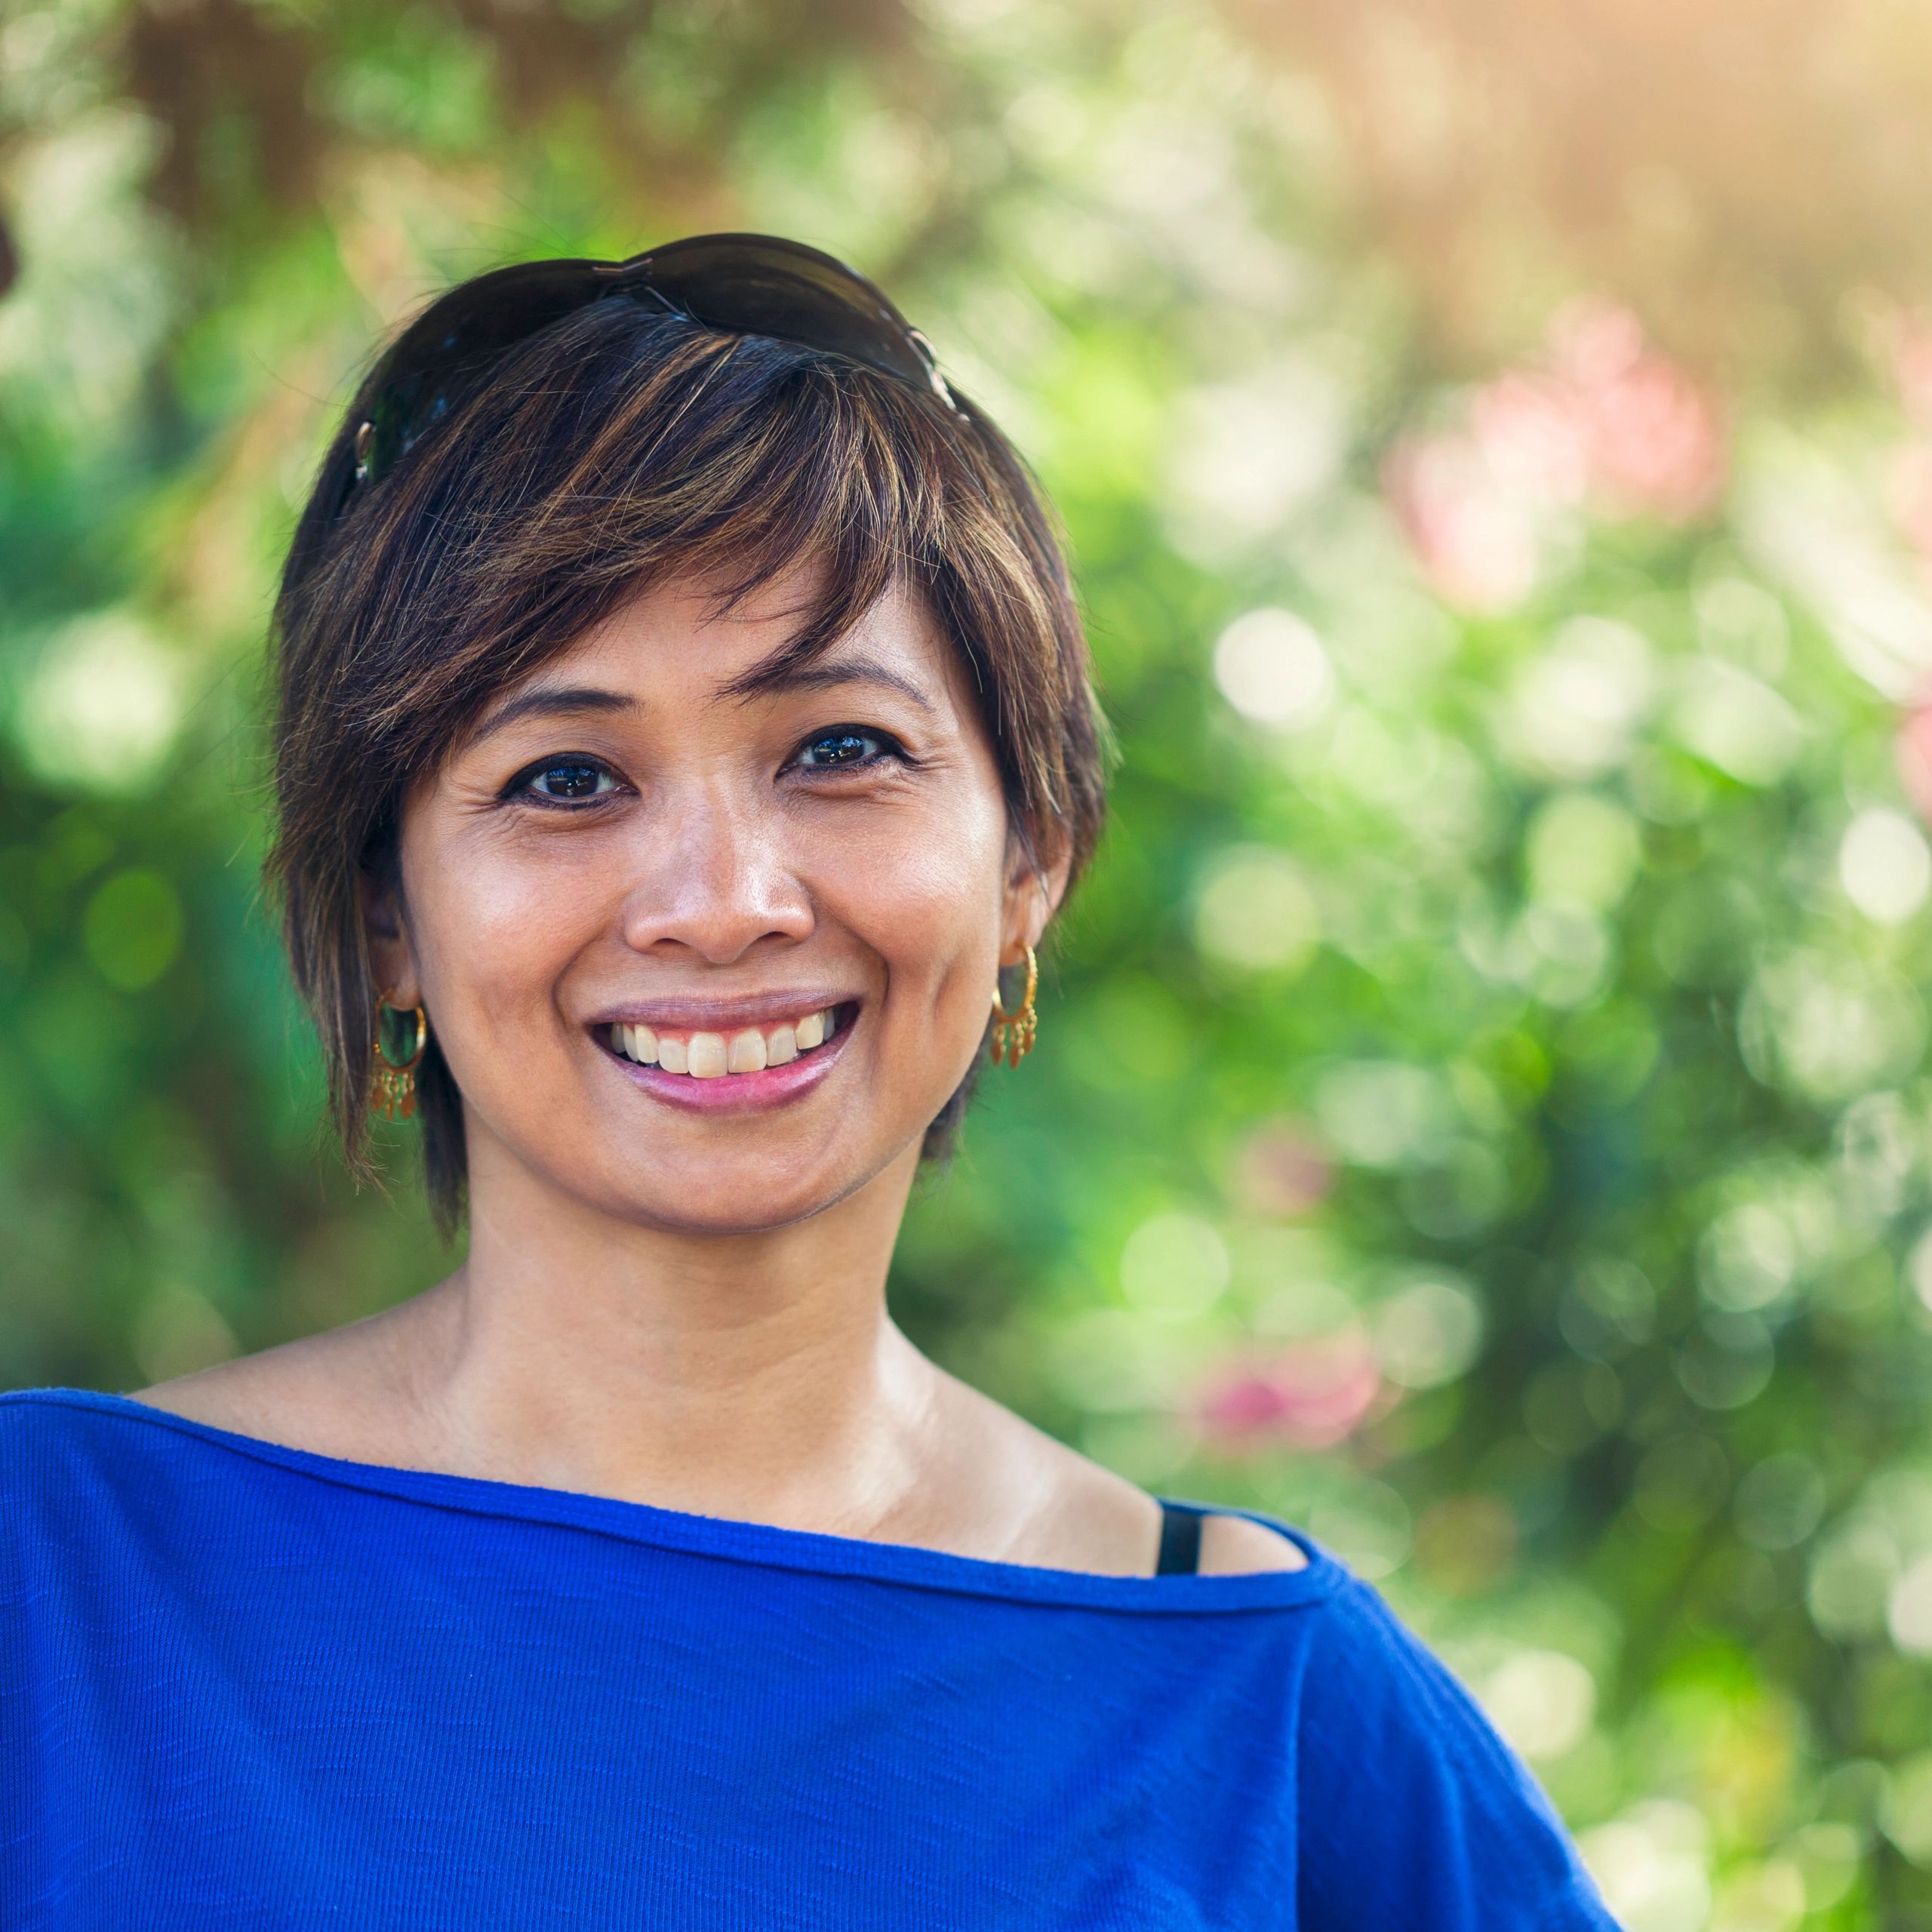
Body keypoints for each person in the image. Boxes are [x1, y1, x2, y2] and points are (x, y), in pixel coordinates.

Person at [0, 235, 1621, 1928]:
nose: (721, 898)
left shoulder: (1262, 1706)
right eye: (564, 775)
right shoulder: (63, 1580)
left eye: (840, 748)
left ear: (1028, 865)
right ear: (382, 916)